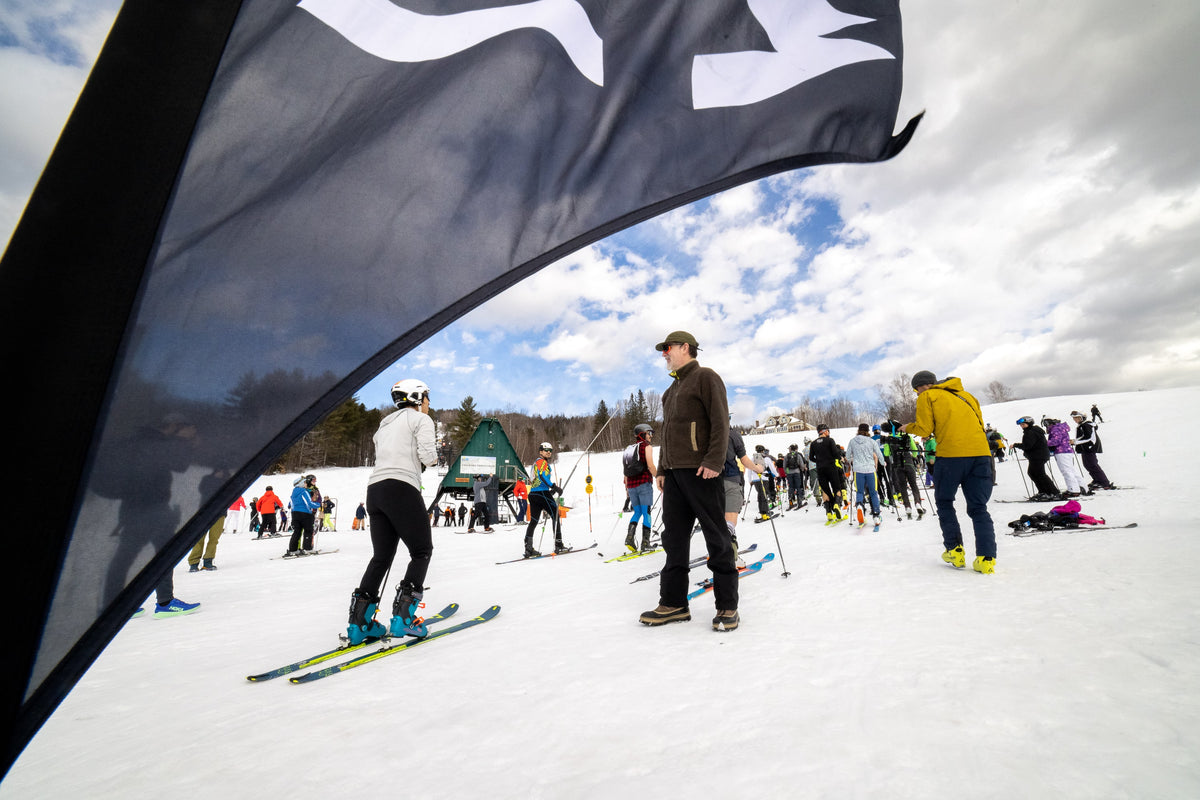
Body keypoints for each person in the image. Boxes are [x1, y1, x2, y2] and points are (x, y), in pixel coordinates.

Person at [640, 331, 739, 631]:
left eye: (668, 348)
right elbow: (669, 436)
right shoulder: (670, 391)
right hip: (674, 476)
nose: (664, 354)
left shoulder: (706, 377)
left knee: (716, 537)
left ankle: (727, 607)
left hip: (701, 472)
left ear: (686, 348)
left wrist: (713, 461)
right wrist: (662, 469)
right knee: (674, 539)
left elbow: (721, 422)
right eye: (663, 350)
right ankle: (674, 604)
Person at [346, 379, 438, 644]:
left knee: (381, 557)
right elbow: (429, 457)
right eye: (427, 398)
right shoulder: (421, 420)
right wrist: (430, 459)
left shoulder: (384, 423)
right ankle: (404, 619)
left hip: (375, 491)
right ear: (418, 397)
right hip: (401, 488)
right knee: (421, 551)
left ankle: (360, 624)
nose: (429, 404)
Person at [901, 371, 997, 574]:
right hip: (981, 454)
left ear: (921, 386)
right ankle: (986, 559)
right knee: (979, 507)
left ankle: (954, 549)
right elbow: (979, 424)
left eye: (916, 390)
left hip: (952, 455)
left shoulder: (928, 396)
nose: (917, 394)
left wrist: (906, 428)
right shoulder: (968, 396)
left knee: (944, 501)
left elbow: (925, 429)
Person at [722, 421, 763, 569]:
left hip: (711, 483)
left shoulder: (707, 433)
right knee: (730, 522)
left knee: (718, 521)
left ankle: (719, 553)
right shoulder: (733, 435)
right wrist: (757, 468)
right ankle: (731, 557)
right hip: (731, 479)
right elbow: (744, 459)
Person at [524, 442, 566, 556]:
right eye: (545, 450)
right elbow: (542, 476)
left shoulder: (535, 463)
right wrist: (554, 487)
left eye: (550, 450)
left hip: (533, 494)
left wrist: (550, 491)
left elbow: (537, 478)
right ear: (540, 451)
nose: (548, 452)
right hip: (541, 493)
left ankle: (528, 548)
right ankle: (559, 544)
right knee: (556, 515)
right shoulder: (542, 462)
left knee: (534, 521)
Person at [623, 423, 658, 552]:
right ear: (642, 434)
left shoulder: (629, 449)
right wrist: (659, 477)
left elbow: (625, 472)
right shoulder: (646, 447)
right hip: (644, 484)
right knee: (646, 512)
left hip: (631, 487)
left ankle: (629, 539)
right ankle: (645, 543)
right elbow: (650, 466)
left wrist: (627, 489)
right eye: (650, 433)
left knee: (637, 512)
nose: (651, 436)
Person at [1011, 416, 1060, 499]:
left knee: (1039, 474)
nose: (1022, 426)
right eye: (1021, 425)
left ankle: (1052, 492)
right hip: (1037, 456)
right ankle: (1044, 491)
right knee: (1033, 473)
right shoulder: (1032, 431)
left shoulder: (1031, 432)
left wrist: (1016, 445)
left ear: (1029, 423)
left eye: (1023, 424)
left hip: (1038, 456)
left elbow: (1028, 445)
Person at [846, 423, 884, 524]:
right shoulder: (871, 441)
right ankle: (876, 515)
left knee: (859, 492)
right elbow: (879, 453)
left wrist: (852, 461)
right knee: (873, 492)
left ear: (858, 430)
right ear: (868, 431)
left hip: (858, 471)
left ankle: (859, 506)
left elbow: (847, 456)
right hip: (870, 470)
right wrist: (883, 462)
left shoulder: (852, 441)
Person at [808, 423, 846, 526]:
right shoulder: (830, 440)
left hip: (820, 469)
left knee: (825, 490)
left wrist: (819, 461)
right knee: (836, 488)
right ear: (825, 431)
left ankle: (828, 512)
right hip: (831, 467)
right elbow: (835, 454)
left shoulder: (813, 443)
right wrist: (839, 458)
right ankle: (836, 506)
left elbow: (811, 458)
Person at [1071, 410, 1115, 490]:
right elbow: (1083, 437)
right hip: (1085, 448)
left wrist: (1075, 442)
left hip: (1090, 447)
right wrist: (1074, 441)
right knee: (1088, 465)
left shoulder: (1086, 425)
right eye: (1074, 418)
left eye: (1077, 418)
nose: (1075, 420)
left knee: (1093, 465)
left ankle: (1104, 482)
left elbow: (1088, 437)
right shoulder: (1082, 425)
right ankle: (1097, 480)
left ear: (1082, 418)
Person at [1044, 417, 1085, 496]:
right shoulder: (1060, 427)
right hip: (1067, 451)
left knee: (1066, 471)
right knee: (1071, 470)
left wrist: (1045, 442)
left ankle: (1073, 490)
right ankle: (1082, 487)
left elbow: (1056, 441)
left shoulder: (1055, 429)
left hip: (1061, 451)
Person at [284, 475, 321, 556]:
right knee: (308, 531)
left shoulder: (293, 492)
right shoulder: (304, 491)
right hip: (305, 514)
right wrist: (318, 505)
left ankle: (293, 549)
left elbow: (291, 504)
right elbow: (310, 503)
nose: (305, 484)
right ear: (300, 483)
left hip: (295, 514)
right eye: (304, 482)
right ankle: (307, 548)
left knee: (296, 532)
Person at [783, 443, 806, 510]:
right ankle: (799, 503)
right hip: (797, 472)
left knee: (791, 487)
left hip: (789, 473)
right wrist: (802, 470)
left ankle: (791, 503)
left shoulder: (787, 456)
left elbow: (784, 466)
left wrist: (786, 473)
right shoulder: (798, 455)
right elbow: (801, 464)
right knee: (798, 487)